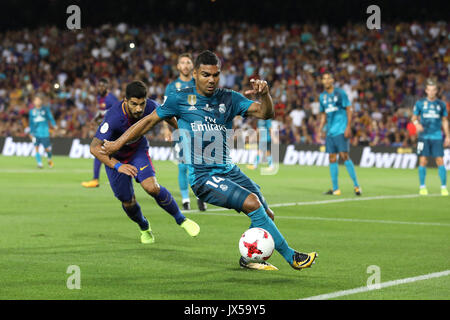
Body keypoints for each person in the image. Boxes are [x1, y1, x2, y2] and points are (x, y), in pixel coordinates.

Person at [101, 51, 317, 271]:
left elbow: (265, 113)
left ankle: (250, 258)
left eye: (215, 75)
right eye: (205, 74)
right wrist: (117, 145)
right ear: (195, 74)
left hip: (228, 170)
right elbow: (148, 121)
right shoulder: (180, 98)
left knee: (267, 215)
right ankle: (292, 257)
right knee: (252, 202)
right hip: (203, 177)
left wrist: (265, 95)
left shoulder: (229, 98)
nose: (211, 79)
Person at [90, 80, 200, 244]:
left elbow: (167, 115)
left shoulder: (151, 106)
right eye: (134, 104)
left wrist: (180, 130)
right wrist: (118, 166)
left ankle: (182, 220)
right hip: (116, 160)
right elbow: (94, 148)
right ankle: (144, 226)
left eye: (142, 104)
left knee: (152, 187)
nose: (139, 109)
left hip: (137, 151)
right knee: (128, 201)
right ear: (125, 100)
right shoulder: (113, 117)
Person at [164, 53, 207, 211]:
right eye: (182, 62)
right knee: (183, 167)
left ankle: (200, 197)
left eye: (188, 62)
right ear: (178, 66)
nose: (185, 65)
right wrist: (165, 129)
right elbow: (165, 109)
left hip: (199, 131)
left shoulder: (200, 84)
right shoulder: (171, 87)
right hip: (180, 131)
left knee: (198, 166)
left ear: (192, 66)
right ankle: (185, 200)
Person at [318, 71, 361, 196]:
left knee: (344, 156)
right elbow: (324, 115)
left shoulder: (340, 93)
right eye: (324, 79)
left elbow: (349, 109)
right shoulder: (322, 97)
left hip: (341, 129)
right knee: (332, 158)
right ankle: (335, 189)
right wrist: (320, 129)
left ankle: (357, 186)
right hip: (330, 132)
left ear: (332, 80)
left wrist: (348, 127)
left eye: (328, 78)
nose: (326, 81)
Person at [411, 79, 449, 196]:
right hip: (423, 137)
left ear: (436, 91)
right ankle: (422, 187)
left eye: (434, 90)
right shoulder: (420, 103)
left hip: (437, 136)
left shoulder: (441, 104)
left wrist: (447, 135)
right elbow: (413, 118)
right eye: (429, 90)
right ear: (426, 91)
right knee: (422, 160)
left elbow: (444, 120)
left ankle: (443, 187)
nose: (431, 92)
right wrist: (417, 125)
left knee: (440, 160)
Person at [82, 78, 119, 188]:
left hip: (112, 129)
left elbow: (117, 113)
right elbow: (101, 112)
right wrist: (94, 120)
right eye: (100, 86)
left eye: (103, 86)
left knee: (98, 151)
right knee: (104, 153)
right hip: (106, 129)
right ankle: (100, 179)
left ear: (107, 87)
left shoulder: (111, 99)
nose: (101, 88)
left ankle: (95, 179)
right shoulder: (100, 98)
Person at [27, 94, 56, 168]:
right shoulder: (31, 111)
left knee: (47, 149)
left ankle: (49, 158)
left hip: (44, 133)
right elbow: (31, 123)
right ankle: (39, 163)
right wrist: (31, 132)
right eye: (36, 100)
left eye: (39, 100)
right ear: (34, 102)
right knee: (36, 147)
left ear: (41, 101)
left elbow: (50, 117)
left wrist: (54, 125)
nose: (38, 102)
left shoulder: (45, 109)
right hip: (36, 133)